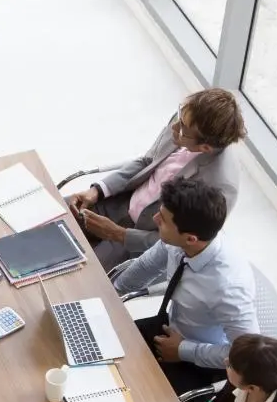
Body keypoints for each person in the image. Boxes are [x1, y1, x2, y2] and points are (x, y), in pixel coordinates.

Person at [68, 88, 246, 271]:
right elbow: (148, 160)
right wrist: (98, 190)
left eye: (183, 129)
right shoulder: (184, 119)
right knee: (57, 214)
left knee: (80, 275)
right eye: (179, 118)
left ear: (206, 147)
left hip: (141, 238)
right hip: (121, 202)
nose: (174, 128)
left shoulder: (219, 187)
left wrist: (119, 234)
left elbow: (180, 242)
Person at [113, 178, 258, 395]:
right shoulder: (180, 241)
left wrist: (183, 350)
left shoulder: (228, 289)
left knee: (134, 396)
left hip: (199, 362)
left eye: (162, 220)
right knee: (104, 350)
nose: (154, 219)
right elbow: (147, 265)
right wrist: (112, 293)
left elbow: (245, 358)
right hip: (170, 328)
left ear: (191, 239)